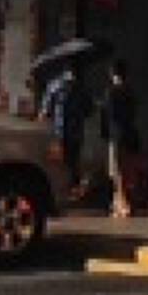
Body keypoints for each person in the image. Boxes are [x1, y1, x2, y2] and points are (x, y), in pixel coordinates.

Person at [39, 61, 91, 203]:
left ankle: (64, 192)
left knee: (63, 163)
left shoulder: (54, 86)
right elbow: (88, 111)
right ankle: (69, 192)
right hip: (71, 132)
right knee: (71, 163)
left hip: (60, 132)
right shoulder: (80, 88)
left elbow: (45, 111)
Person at [102, 61, 144, 219]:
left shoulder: (110, 93)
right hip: (131, 134)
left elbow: (108, 115)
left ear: (112, 75)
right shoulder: (131, 92)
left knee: (117, 171)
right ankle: (120, 203)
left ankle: (124, 205)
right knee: (129, 170)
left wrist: (105, 133)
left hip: (116, 136)